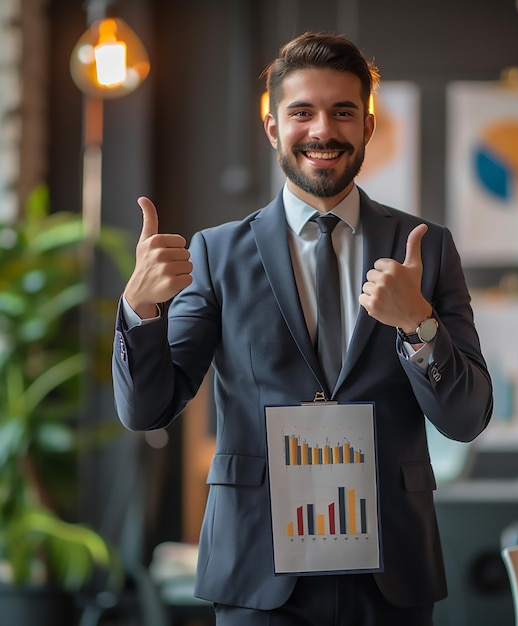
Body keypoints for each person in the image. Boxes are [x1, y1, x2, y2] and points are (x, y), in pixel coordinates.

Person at [112, 31, 493, 626]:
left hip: (390, 569)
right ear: (272, 128)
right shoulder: (217, 253)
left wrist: (418, 325)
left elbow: (466, 419)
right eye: (302, 112)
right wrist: (141, 309)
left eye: (343, 111)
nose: (323, 130)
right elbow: (147, 408)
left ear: (367, 127)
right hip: (258, 571)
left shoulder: (426, 249)